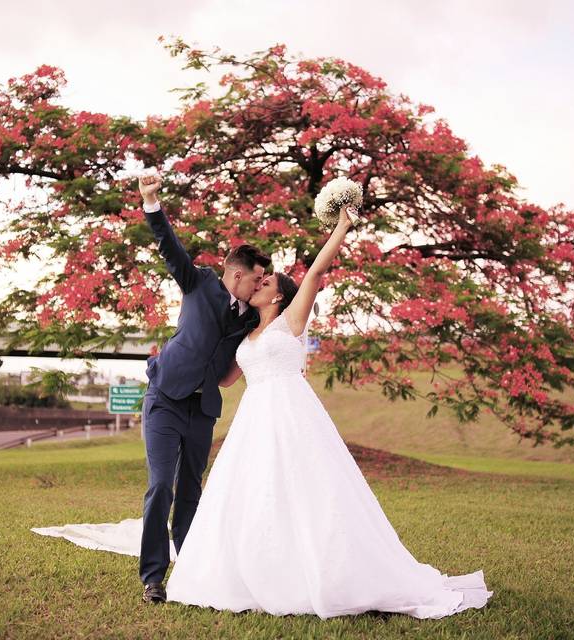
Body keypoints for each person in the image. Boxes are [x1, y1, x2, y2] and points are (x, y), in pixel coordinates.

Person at [161, 203, 493, 619]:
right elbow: (226, 378)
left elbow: (316, 272)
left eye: (265, 282)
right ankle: (252, 568)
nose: (258, 284)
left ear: (279, 293)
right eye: (257, 279)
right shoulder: (245, 335)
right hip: (254, 421)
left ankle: (319, 571)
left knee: (309, 492)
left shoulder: (291, 321)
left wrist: (342, 226)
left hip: (292, 415)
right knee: (253, 493)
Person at [137, 172, 271, 604]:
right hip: (165, 399)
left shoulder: (250, 317)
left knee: (192, 490)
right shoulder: (198, 283)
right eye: (256, 279)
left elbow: (254, 347)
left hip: (203, 410)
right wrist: (152, 201)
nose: (259, 285)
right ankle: (153, 577)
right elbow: (168, 246)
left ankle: (192, 571)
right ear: (235, 276)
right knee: (162, 486)